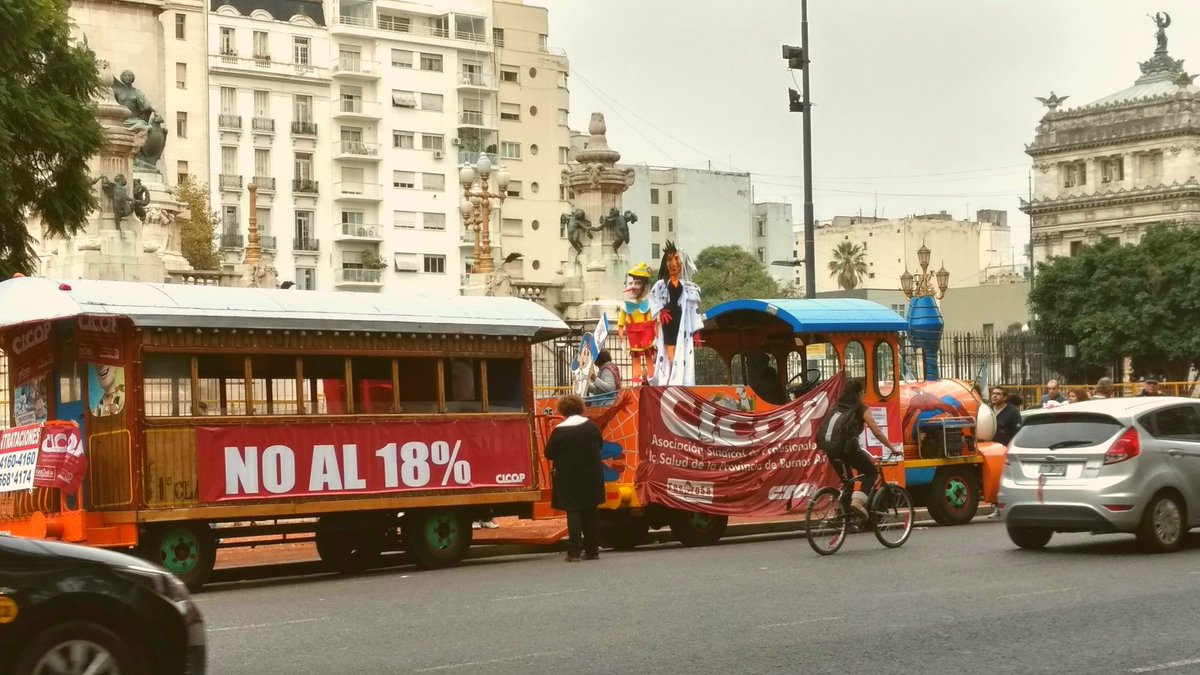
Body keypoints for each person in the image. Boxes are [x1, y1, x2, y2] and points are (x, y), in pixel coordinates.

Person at [819, 380, 899, 519]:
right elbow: (877, 432)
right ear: (860, 392)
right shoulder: (860, 408)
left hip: (831, 450)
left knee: (848, 483)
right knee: (871, 472)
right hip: (847, 449)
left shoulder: (837, 406)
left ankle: (843, 520)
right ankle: (858, 502)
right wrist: (892, 448)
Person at [544, 394, 605, 561]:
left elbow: (549, 453)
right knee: (591, 511)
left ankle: (574, 552)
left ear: (562, 410)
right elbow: (599, 445)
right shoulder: (592, 426)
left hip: (569, 476)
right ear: (580, 407)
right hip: (592, 475)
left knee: (574, 511)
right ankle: (593, 551)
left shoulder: (560, 430)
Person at [649, 241, 703, 386]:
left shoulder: (689, 287)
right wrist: (661, 310)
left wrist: (696, 331)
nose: (673, 263)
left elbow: (694, 309)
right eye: (670, 259)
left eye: (676, 259)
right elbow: (652, 299)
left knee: (682, 349)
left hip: (682, 321)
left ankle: (679, 378)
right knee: (669, 350)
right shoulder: (660, 284)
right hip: (667, 320)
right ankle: (668, 377)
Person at [618, 262, 656, 384]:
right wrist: (622, 341)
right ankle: (636, 379)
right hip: (633, 336)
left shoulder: (650, 304)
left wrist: (657, 336)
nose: (633, 286)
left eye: (638, 283)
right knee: (635, 357)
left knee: (649, 356)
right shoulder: (624, 306)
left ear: (645, 285)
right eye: (631, 283)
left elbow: (656, 322)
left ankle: (652, 377)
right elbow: (620, 325)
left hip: (648, 335)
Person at [988, 386, 1022, 519]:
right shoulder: (988, 411)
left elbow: (1017, 433)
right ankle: (997, 507)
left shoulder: (1012, 412)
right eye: (993, 393)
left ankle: (1009, 506)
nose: (994, 396)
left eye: (998, 394)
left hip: (1006, 452)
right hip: (991, 452)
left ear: (1005, 397)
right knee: (995, 479)